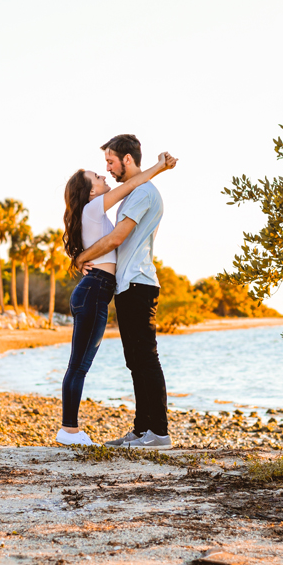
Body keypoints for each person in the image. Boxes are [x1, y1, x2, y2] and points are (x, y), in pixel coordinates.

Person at [57, 148, 178, 446]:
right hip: (96, 289)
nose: (103, 173)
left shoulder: (93, 211)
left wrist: (79, 257)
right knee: (80, 365)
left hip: (99, 289)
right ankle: (69, 431)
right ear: (90, 193)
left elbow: (132, 188)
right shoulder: (94, 207)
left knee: (91, 362)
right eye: (96, 176)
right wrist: (159, 167)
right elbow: (131, 187)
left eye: (106, 166)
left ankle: (143, 430)